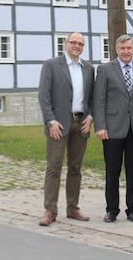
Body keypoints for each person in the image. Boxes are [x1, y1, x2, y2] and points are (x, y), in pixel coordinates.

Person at [38, 32, 94, 226]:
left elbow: (93, 97)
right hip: (58, 124)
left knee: (75, 167)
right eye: (74, 42)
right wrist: (50, 121)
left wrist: (91, 117)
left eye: (81, 44)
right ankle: (50, 210)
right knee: (54, 167)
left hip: (81, 123)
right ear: (66, 43)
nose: (77, 46)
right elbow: (43, 96)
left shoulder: (88, 68)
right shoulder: (51, 65)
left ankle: (73, 208)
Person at [93, 34, 133, 223]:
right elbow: (99, 100)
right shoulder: (105, 69)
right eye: (123, 48)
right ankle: (112, 209)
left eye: (129, 48)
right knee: (112, 171)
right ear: (116, 50)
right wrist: (100, 126)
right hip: (112, 128)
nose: (126, 51)